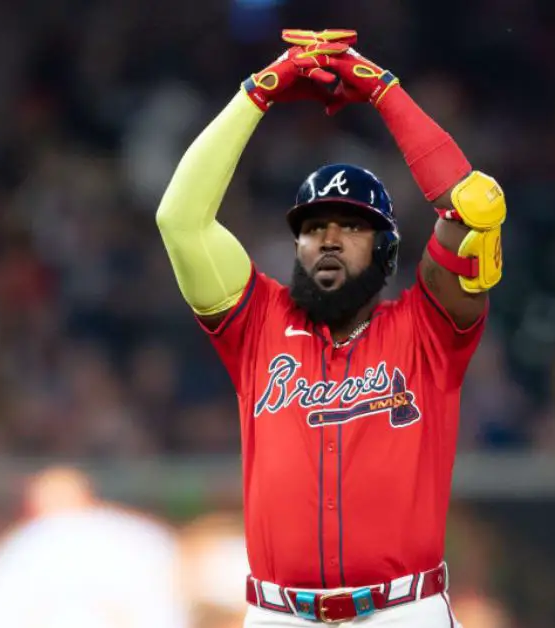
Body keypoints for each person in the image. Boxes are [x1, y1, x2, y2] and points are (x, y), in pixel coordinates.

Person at [156, 29, 505, 626]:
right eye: (316, 228)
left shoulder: (429, 330)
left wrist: (381, 91)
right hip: (278, 614)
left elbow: (472, 207)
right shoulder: (257, 323)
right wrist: (257, 94)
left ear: (388, 252)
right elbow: (180, 219)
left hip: (403, 610)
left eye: (352, 226)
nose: (331, 240)